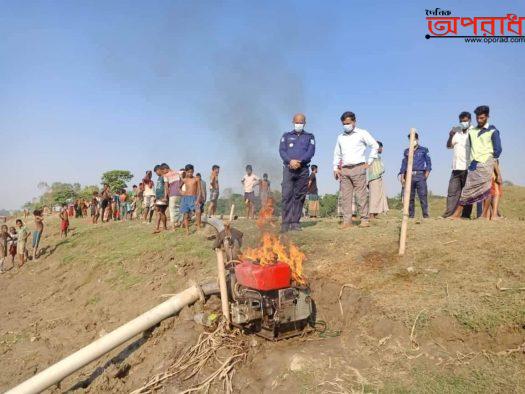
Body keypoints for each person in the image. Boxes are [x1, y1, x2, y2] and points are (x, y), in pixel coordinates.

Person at [451, 106, 502, 220]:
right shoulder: (472, 131)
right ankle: (456, 214)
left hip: (486, 163)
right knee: (467, 189)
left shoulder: (493, 130)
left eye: (482, 118)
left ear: (487, 117)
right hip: (474, 164)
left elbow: (498, 149)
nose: (479, 120)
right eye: (478, 118)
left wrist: (488, 159)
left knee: (486, 189)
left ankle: (484, 215)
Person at [333, 111, 379, 228]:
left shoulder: (362, 133)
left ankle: (364, 219)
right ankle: (347, 221)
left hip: (358, 167)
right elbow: (337, 154)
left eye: (348, 123)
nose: (346, 125)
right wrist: (335, 167)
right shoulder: (340, 137)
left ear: (354, 122)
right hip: (344, 169)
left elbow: (375, 145)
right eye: (344, 123)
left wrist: (369, 161)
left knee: (361, 195)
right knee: (346, 197)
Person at [279, 113, 316, 232]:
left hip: (303, 170)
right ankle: (285, 223)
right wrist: (290, 161)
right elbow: (282, 151)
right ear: (292, 122)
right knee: (286, 195)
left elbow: (310, 152)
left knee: (299, 197)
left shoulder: (310, 137)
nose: (298, 124)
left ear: (305, 123)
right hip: (288, 169)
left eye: (301, 122)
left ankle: (295, 222)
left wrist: (300, 161)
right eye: (297, 122)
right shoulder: (286, 136)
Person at [443, 111, 473, 218]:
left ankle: (465, 215)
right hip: (456, 168)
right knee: (452, 192)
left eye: (466, 121)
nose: (463, 123)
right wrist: (450, 135)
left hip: (468, 167)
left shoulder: (473, 132)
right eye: (461, 121)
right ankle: (449, 214)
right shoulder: (456, 132)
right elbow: (448, 146)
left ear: (470, 121)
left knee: (467, 193)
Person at [398, 132, 432, 218]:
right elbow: (403, 164)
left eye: (413, 139)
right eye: (410, 140)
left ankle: (426, 215)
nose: (411, 141)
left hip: (420, 175)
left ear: (417, 139)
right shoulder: (406, 151)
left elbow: (428, 163)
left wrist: (426, 175)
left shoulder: (424, 150)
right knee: (410, 197)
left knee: (423, 196)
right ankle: (411, 216)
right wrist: (402, 177)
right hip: (409, 175)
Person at [368, 142, 389, 218]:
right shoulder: (373, 156)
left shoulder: (377, 156)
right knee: (374, 196)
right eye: (381, 147)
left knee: (378, 196)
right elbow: (375, 169)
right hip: (374, 178)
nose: (382, 149)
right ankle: (371, 214)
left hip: (377, 178)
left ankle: (375, 213)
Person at [180, 164, 202, 235]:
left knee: (198, 211)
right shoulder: (185, 180)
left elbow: (199, 190)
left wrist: (198, 200)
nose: (190, 173)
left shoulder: (196, 179)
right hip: (185, 198)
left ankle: (198, 228)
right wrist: (181, 192)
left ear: (193, 171)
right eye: (188, 172)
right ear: (186, 172)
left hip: (194, 198)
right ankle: (187, 231)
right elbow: (179, 187)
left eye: (191, 172)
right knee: (185, 215)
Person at [163, 165, 183, 230]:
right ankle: (181, 224)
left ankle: (173, 227)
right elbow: (183, 180)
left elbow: (166, 187)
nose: (163, 172)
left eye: (163, 170)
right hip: (180, 193)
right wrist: (179, 187)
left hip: (172, 194)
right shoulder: (178, 172)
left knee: (172, 210)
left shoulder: (166, 175)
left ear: (166, 169)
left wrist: (167, 196)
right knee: (180, 208)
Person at [153, 164, 169, 233]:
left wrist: (165, 197)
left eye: (156, 171)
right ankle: (161, 227)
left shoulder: (164, 176)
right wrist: (156, 197)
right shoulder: (159, 178)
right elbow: (158, 188)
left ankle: (159, 228)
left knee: (160, 212)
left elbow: (166, 187)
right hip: (159, 197)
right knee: (160, 212)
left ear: (159, 169)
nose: (156, 173)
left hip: (163, 197)